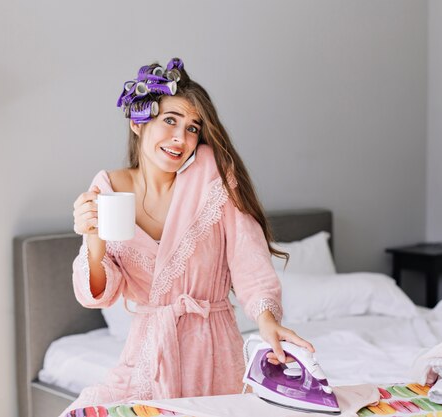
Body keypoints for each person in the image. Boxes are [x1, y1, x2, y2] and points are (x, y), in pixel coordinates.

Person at [66, 58, 313, 412]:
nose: (181, 138)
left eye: (193, 128)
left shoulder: (211, 175)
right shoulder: (107, 188)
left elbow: (248, 257)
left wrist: (267, 322)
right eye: (170, 121)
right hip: (148, 353)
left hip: (214, 351)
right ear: (138, 123)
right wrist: (92, 239)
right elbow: (103, 292)